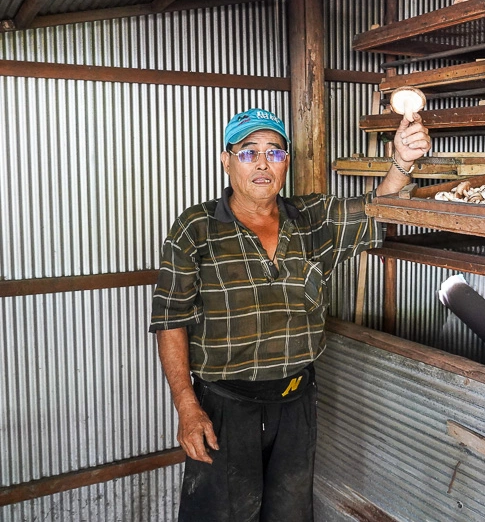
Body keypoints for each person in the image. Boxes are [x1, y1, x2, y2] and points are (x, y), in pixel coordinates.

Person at [150, 107, 430, 522]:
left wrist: (402, 162)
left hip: (296, 402)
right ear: (226, 160)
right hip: (225, 407)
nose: (262, 163)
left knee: (291, 514)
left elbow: (378, 208)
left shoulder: (312, 219)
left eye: (275, 153)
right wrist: (187, 407)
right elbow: (170, 319)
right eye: (248, 153)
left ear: (286, 163)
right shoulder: (196, 228)